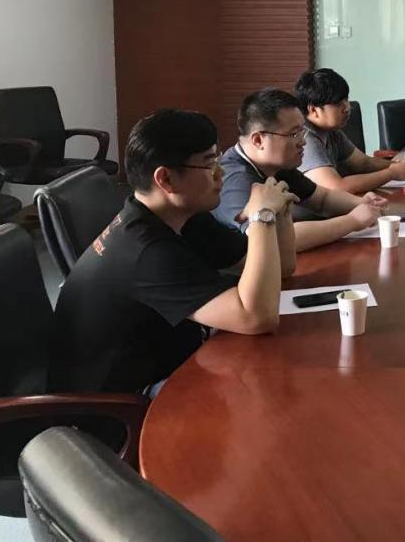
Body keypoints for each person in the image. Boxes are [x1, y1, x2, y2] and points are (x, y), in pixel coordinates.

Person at [49, 109, 298, 394]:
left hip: (178, 359)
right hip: (127, 402)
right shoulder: (147, 251)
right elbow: (257, 318)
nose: (221, 173)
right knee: (271, 389)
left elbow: (283, 266)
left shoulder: (184, 217)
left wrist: (280, 210)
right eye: (209, 164)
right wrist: (262, 216)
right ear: (166, 179)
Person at [214, 88, 384, 251]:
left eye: (303, 132)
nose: (303, 141)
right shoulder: (235, 179)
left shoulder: (276, 166)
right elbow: (273, 240)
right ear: (258, 140)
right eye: (294, 134)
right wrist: (353, 220)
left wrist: (363, 204)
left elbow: (322, 199)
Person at [294, 68, 405, 193]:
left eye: (346, 99)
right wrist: (392, 173)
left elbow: (363, 163)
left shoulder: (332, 132)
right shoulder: (305, 138)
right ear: (313, 110)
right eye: (338, 104)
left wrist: (399, 165)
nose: (347, 108)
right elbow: (337, 187)